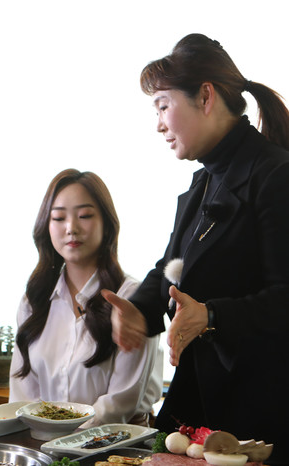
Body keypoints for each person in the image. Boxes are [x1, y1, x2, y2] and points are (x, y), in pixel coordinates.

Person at [102, 34, 289, 463]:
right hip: (199, 413)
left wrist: (213, 315)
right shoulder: (204, 182)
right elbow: (173, 267)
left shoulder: (276, 175)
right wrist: (139, 310)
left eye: (162, 106)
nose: (159, 124)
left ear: (205, 96)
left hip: (257, 417)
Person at [9, 169, 163, 428]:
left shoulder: (132, 298)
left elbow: (120, 404)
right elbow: (22, 396)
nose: (71, 228)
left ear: (107, 224)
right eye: (59, 218)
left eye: (85, 216)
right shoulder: (33, 301)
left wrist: (61, 438)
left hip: (116, 445)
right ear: (46, 226)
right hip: (40, 443)